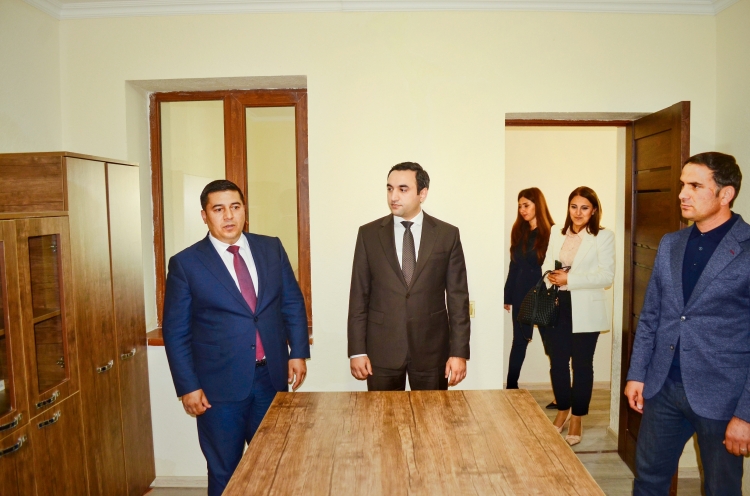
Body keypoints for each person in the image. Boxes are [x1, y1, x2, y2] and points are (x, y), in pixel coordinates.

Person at [162, 179, 310, 496]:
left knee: (273, 464)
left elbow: (292, 302)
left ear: (244, 210)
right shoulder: (186, 264)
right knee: (225, 471)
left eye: (235, 207)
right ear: (204, 216)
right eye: (218, 209)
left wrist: (297, 352)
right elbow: (175, 332)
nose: (228, 216)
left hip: (271, 378)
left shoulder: (271, 248)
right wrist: (188, 386)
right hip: (218, 389)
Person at [625, 152, 750, 496]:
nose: (683, 193)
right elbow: (652, 315)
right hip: (663, 387)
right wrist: (637, 373)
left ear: (726, 194)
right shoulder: (672, 243)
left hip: (722, 397)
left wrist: (746, 414)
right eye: (683, 185)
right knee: (648, 482)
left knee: (721, 489)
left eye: (695, 186)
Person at [348, 162, 470, 391]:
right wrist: (357, 351)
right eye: (389, 188)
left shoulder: (447, 235)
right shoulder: (368, 234)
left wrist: (458, 352)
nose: (393, 196)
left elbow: (458, 299)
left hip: (432, 350)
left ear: (422, 193)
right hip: (381, 351)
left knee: (432, 414)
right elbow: (358, 296)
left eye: (402, 189)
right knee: (383, 414)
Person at [543, 186, 615, 446]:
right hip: (557, 305)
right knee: (558, 363)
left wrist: (569, 279)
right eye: (574, 206)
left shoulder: (603, 236)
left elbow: (606, 276)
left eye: (584, 207)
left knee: (582, 365)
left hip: (586, 309)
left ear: (593, 210)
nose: (578, 212)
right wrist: (552, 277)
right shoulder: (556, 231)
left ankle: (577, 417)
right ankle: (563, 409)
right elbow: (547, 263)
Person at [503, 188, 554, 390]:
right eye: (520, 206)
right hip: (520, 294)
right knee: (519, 341)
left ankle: (560, 394)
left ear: (537, 205)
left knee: (551, 345)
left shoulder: (552, 233)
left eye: (526, 205)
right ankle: (511, 388)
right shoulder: (519, 231)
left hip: (544, 295)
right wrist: (507, 296)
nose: (522, 210)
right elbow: (514, 265)